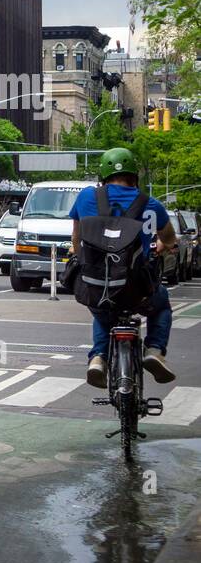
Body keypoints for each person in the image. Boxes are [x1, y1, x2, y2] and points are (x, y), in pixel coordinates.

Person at [70, 147, 176, 388]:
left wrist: (79, 256)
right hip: (138, 289)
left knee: (101, 307)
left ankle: (98, 358)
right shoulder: (151, 204)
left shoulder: (87, 197)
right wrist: (162, 245)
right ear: (134, 176)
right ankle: (155, 351)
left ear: (103, 176)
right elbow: (169, 238)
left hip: (96, 283)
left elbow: (76, 237)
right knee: (162, 306)